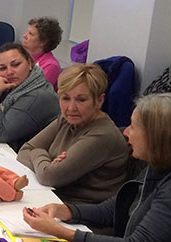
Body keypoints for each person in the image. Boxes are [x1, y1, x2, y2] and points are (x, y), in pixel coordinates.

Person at [22, 93, 171, 241]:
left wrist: (60, 231)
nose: (126, 132)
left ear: (156, 137)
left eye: (133, 127)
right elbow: (112, 210)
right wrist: (64, 211)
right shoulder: (155, 167)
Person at [17, 64, 128, 204]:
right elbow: (25, 150)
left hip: (81, 215)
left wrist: (40, 155)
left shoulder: (102, 135)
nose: (71, 108)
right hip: (54, 199)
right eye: (65, 98)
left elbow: (49, 176)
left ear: (99, 100)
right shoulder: (66, 119)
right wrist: (47, 161)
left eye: (81, 100)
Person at [0, 43, 59, 151]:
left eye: (16, 64)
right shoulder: (9, 83)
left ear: (29, 63)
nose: (9, 72)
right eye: (2, 68)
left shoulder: (37, 95)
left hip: (28, 158)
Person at [22, 17, 63, 90]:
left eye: (30, 34)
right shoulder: (26, 57)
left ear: (43, 42)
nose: (24, 36)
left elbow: (35, 93)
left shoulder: (51, 66)